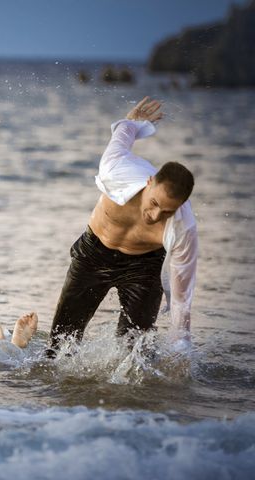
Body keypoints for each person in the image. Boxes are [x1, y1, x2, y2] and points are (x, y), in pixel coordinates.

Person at [47, 96, 198, 357]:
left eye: (167, 211)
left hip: (145, 266)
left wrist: (181, 347)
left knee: (135, 355)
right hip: (94, 254)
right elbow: (121, 137)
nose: (155, 215)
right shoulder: (116, 169)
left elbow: (182, 295)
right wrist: (132, 122)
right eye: (154, 203)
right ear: (149, 182)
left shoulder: (183, 228)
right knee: (60, 344)